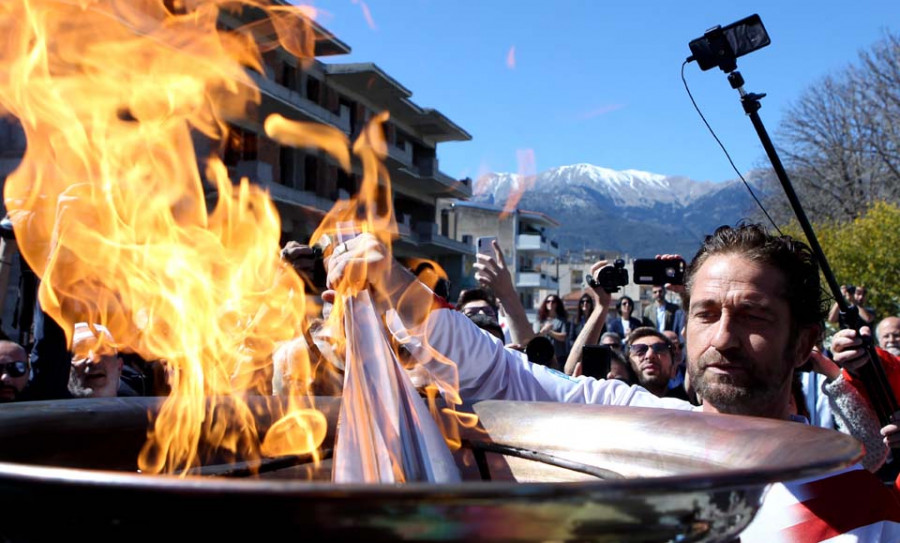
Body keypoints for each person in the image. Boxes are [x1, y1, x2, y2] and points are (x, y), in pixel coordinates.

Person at [321, 226, 899, 541]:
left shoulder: (861, 514)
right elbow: (499, 372)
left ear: (801, 344)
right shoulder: (635, 425)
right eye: (705, 314)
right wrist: (394, 284)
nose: (722, 338)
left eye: (752, 317)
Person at [67, 322, 132, 398]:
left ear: (119, 367)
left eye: (102, 350)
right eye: (81, 351)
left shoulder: (142, 408)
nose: (93, 359)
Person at [622, 327, 678, 399]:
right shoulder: (614, 405)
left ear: (673, 368)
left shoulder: (687, 408)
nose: (650, 355)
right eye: (639, 350)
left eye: (659, 349)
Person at [533, 294, 568, 366]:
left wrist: (549, 332)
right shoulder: (540, 320)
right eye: (548, 301)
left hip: (558, 358)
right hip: (542, 357)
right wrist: (544, 331)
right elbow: (535, 337)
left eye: (553, 301)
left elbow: (563, 337)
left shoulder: (561, 320)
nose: (550, 303)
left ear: (557, 304)